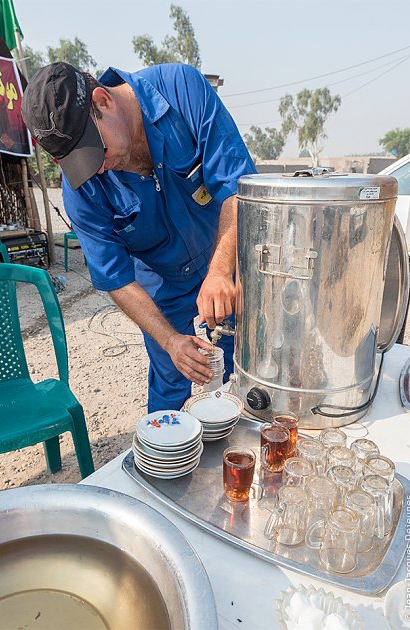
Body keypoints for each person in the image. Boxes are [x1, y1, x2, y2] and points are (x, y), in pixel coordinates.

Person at [22, 61, 256, 412]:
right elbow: (114, 277)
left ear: (103, 101)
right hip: (160, 280)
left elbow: (238, 189)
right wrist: (170, 340)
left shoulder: (181, 91)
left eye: (95, 154)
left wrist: (221, 270)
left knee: (243, 362)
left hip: (223, 253)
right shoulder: (82, 190)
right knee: (171, 378)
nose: (97, 169)